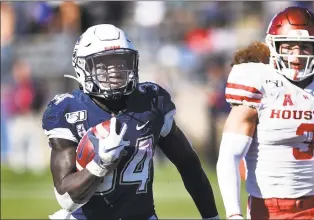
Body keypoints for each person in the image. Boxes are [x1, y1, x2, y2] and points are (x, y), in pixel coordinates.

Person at [42, 24, 219, 220]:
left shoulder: (150, 102)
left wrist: (211, 217)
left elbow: (188, 163)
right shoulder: (68, 110)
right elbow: (66, 199)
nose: (115, 71)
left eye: (121, 62)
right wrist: (100, 164)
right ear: (83, 67)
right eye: (104, 64)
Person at [217, 6, 314, 220]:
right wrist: (233, 214)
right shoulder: (257, 81)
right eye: (288, 47)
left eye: (306, 47)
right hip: (268, 209)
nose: (297, 56)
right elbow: (229, 156)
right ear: (273, 46)